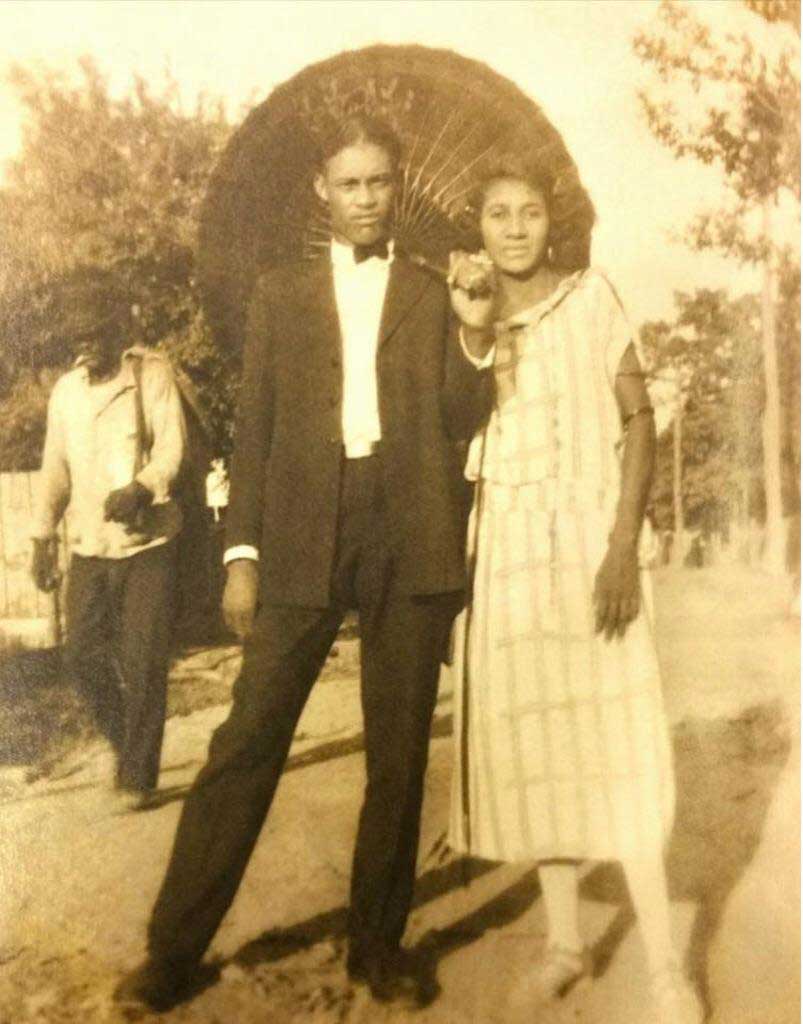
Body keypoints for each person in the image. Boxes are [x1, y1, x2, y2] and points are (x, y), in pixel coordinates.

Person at [115, 114, 494, 1011]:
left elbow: (459, 416)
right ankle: (172, 951)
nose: (365, 199)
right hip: (298, 530)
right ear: (322, 192)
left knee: (398, 753)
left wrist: (476, 333)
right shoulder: (278, 293)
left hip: (408, 530)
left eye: (378, 182)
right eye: (349, 183)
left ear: (395, 188)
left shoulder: (433, 288)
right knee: (246, 740)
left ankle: (378, 948)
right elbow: (255, 433)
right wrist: (241, 553)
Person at [446, 158, 703, 1024]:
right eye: (495, 215)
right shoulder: (468, 321)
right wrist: (475, 334)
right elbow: (448, 429)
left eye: (527, 213)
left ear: (550, 221)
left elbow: (637, 421)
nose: (513, 229)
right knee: (541, 754)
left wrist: (622, 546)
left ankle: (666, 964)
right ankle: (564, 944)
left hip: (591, 547)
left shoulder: (592, 298)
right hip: (509, 561)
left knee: (614, 742)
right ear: (474, 227)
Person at [31, 268, 186, 808]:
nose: (85, 345)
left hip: (147, 547)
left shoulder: (151, 374)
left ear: (117, 327)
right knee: (79, 657)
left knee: (144, 661)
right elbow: (54, 470)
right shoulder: (66, 394)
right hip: (91, 549)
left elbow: (170, 449)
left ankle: (139, 777)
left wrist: (143, 488)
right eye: (77, 337)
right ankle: (128, 745)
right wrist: (41, 538)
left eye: (95, 333)